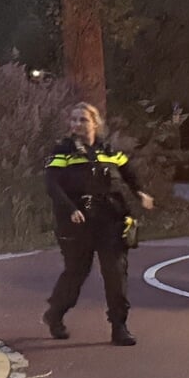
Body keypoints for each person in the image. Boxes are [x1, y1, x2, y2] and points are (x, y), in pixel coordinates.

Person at [43, 103, 153, 347]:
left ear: (95, 123)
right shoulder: (63, 151)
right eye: (73, 120)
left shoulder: (109, 150)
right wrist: (70, 209)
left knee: (115, 273)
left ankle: (119, 326)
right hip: (77, 223)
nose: (77, 124)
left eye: (83, 119)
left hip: (109, 220)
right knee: (76, 273)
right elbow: (52, 184)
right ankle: (55, 314)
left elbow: (128, 172)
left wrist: (141, 193)